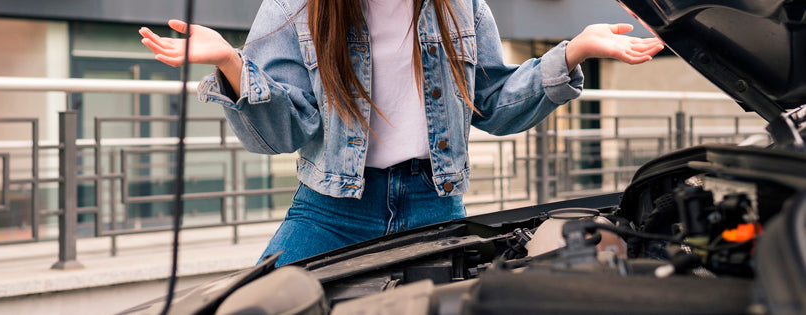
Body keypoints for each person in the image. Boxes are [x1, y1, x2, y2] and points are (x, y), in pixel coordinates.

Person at [140, 0, 663, 266]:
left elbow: (492, 104)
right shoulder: (294, 6)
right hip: (331, 211)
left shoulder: (461, 3)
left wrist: (574, 51)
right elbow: (281, 133)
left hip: (434, 203)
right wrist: (233, 64)